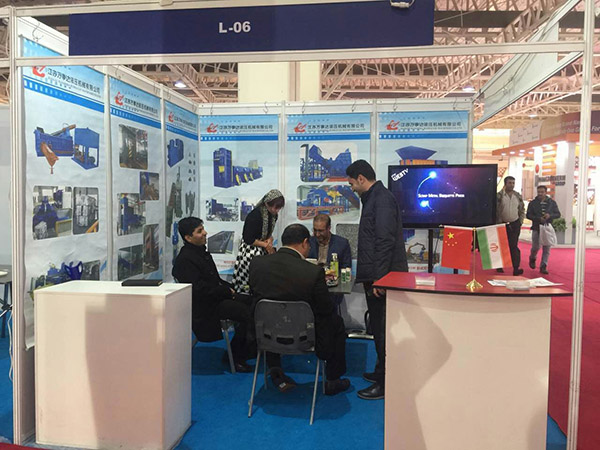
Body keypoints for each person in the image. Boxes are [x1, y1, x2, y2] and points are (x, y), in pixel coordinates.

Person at [249, 224, 350, 396]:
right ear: (304, 242)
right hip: (303, 335)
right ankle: (333, 379)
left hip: (266, 334)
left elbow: (255, 294)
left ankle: (275, 370)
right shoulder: (313, 272)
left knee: (268, 315)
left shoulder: (257, 264)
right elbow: (325, 308)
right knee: (337, 323)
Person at [346, 159, 408, 400]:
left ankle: (385, 382)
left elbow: (384, 241)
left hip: (382, 278)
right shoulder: (374, 198)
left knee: (383, 331)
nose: (352, 188)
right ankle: (382, 371)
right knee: (379, 328)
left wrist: (380, 279)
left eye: (352, 183)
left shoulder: (381, 200)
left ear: (361, 178)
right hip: (377, 275)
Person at [172, 217, 254, 373]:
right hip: (205, 308)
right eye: (199, 231)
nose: (205, 233)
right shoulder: (185, 260)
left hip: (214, 298)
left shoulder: (201, 253)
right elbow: (199, 290)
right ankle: (236, 356)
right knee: (246, 312)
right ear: (188, 238)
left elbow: (214, 280)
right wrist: (226, 292)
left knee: (254, 302)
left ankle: (246, 349)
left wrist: (229, 289)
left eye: (203, 229)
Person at [232, 189, 284, 293]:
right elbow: (248, 239)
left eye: (278, 208)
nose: (276, 210)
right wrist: (265, 245)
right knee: (248, 278)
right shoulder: (255, 215)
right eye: (274, 207)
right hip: (250, 250)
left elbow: (269, 232)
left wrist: (269, 240)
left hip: (263, 248)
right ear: (266, 203)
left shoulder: (274, 215)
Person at [527, 186, 561, 274]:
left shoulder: (552, 203)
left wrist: (550, 216)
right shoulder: (533, 203)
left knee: (547, 248)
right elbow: (528, 215)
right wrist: (538, 218)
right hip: (536, 227)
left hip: (547, 227)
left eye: (542, 192)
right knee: (535, 247)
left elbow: (558, 214)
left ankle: (543, 266)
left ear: (546, 192)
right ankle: (532, 258)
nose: (540, 194)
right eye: (539, 192)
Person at [496, 176, 525, 275]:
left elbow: (521, 209)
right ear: (505, 184)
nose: (512, 185)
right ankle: (499, 266)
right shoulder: (499, 196)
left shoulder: (517, 196)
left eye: (513, 183)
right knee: (501, 246)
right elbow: (495, 210)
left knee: (514, 246)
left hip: (515, 224)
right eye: (510, 183)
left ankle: (516, 268)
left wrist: (520, 221)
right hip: (502, 224)